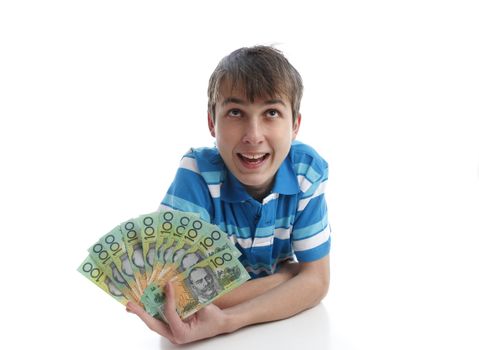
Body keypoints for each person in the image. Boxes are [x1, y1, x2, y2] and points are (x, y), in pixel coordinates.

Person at [126, 45, 331, 344]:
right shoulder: (196, 174)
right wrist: (287, 278)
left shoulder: (306, 171)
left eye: (271, 113)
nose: (253, 135)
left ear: (295, 125)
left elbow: (317, 282)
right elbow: (175, 299)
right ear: (212, 122)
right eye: (236, 112)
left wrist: (229, 320)